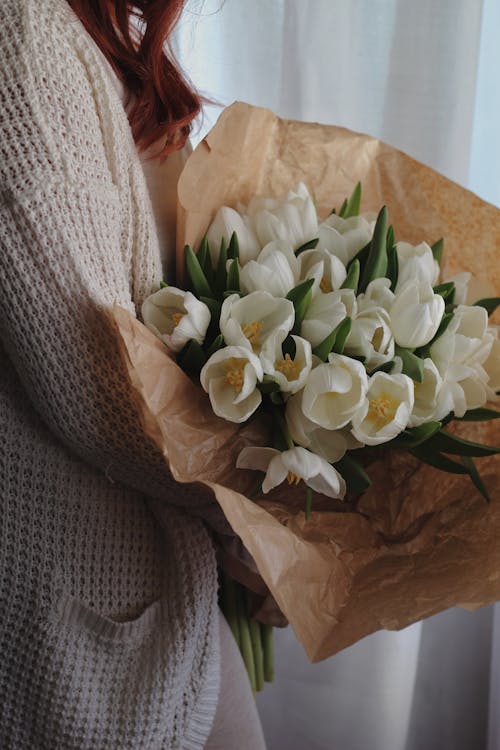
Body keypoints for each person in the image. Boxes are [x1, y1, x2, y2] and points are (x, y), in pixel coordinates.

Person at [0, 0, 267, 746]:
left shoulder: (86, 35)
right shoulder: (19, 33)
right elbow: (93, 381)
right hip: (71, 597)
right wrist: (263, 522)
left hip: (146, 578)